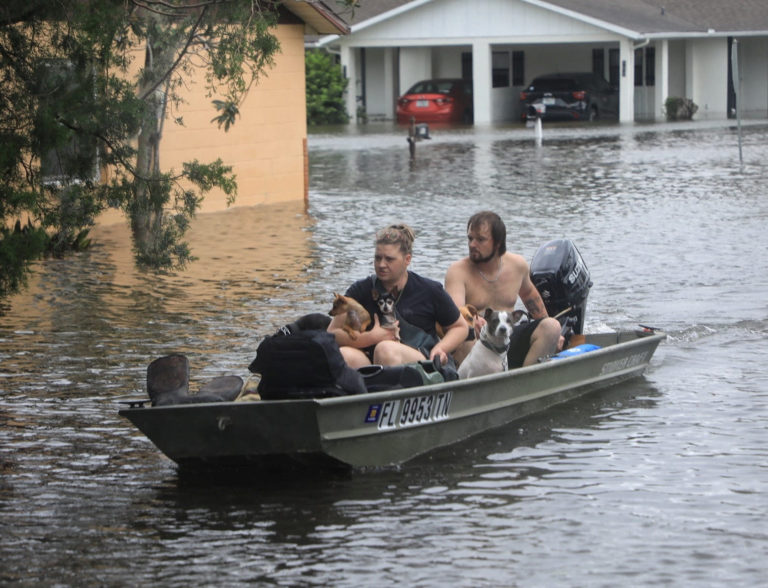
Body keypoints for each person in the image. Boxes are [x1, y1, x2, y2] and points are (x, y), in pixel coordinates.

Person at [328, 223, 468, 369]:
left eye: (389, 259)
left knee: (385, 350)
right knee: (344, 355)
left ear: (407, 260)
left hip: (419, 360)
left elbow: (460, 327)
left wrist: (440, 348)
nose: (381, 264)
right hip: (372, 360)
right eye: (377, 258)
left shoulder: (430, 290)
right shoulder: (359, 290)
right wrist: (370, 338)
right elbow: (331, 333)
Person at [444, 211, 562, 368]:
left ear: (498, 243)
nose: (472, 244)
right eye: (470, 238)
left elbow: (530, 297)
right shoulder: (457, 271)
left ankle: (526, 382)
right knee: (465, 336)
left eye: (480, 240)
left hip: (508, 339)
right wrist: (472, 320)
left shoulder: (517, 265)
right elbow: (455, 312)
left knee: (552, 326)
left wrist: (556, 336)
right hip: (478, 347)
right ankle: (476, 388)